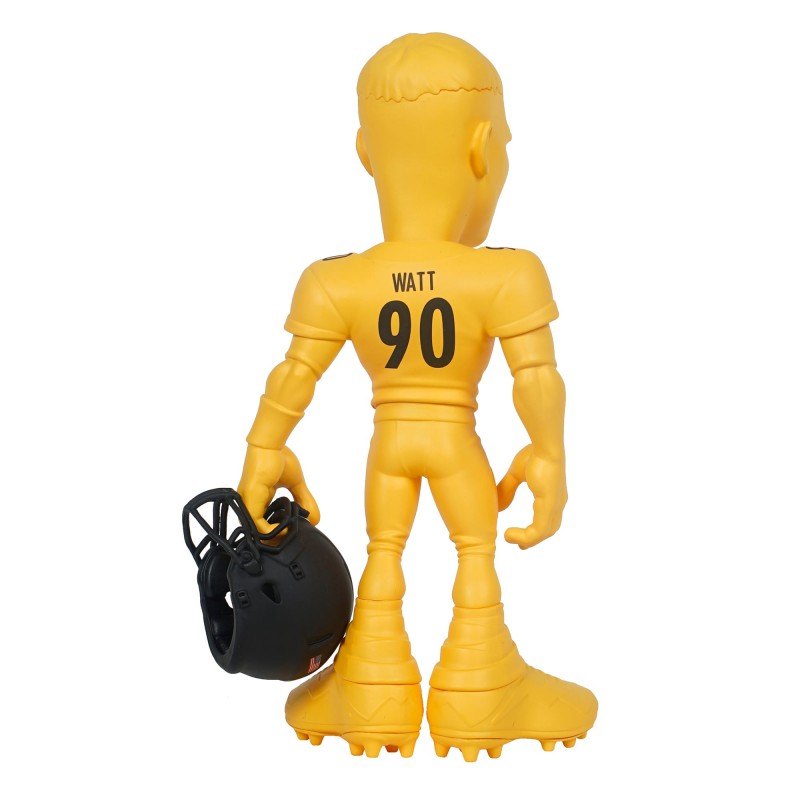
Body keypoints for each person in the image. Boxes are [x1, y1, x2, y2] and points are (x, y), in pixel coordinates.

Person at [237, 32, 597, 761]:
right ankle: (482, 688)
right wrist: (549, 456)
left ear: (365, 152)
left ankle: (372, 687)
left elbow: (293, 376)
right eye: (505, 144)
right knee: (475, 549)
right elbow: (536, 378)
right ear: (481, 148)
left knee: (384, 549)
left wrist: (261, 451)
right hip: (456, 443)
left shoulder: (335, 280)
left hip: (388, 446)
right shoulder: (506, 275)